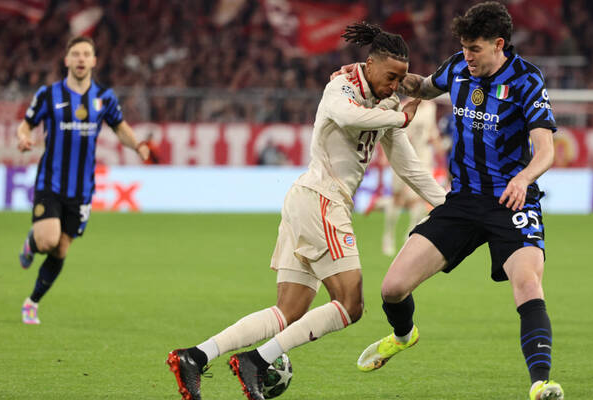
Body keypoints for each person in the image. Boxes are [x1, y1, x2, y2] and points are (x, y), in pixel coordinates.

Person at [166, 22, 447, 400]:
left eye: (400, 79)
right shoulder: (341, 87)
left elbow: (409, 167)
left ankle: (196, 356)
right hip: (321, 200)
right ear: (370, 64)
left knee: (288, 310)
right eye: (390, 76)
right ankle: (256, 361)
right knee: (351, 304)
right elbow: (348, 117)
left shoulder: (389, 107)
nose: (394, 86)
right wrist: (401, 117)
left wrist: (450, 205)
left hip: (309, 202)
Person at [340, 3, 563, 400]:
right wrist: (367, 73)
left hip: (511, 202)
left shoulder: (526, 80)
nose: (467, 56)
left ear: (499, 44)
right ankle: (403, 336)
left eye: (475, 48)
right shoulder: (458, 68)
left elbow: (546, 150)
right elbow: (422, 87)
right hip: (461, 201)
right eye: (463, 47)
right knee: (392, 288)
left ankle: (541, 383)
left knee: (528, 284)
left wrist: (524, 178)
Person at [17, 36, 149, 324]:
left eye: (86, 54)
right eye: (75, 54)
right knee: (48, 240)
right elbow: (26, 124)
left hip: (82, 189)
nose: (80, 58)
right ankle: (32, 243)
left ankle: (32, 302)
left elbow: (120, 128)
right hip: (50, 182)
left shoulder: (104, 97)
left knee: (61, 248)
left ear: (93, 61)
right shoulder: (48, 94)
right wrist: (24, 138)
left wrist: (138, 145)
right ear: (67, 60)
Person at [381, 99, 441, 256]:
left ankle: (410, 235)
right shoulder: (401, 106)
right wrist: (384, 154)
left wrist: (440, 149)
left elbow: (432, 131)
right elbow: (389, 130)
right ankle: (388, 235)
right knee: (397, 197)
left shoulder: (431, 107)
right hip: (402, 155)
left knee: (420, 197)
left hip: (423, 156)